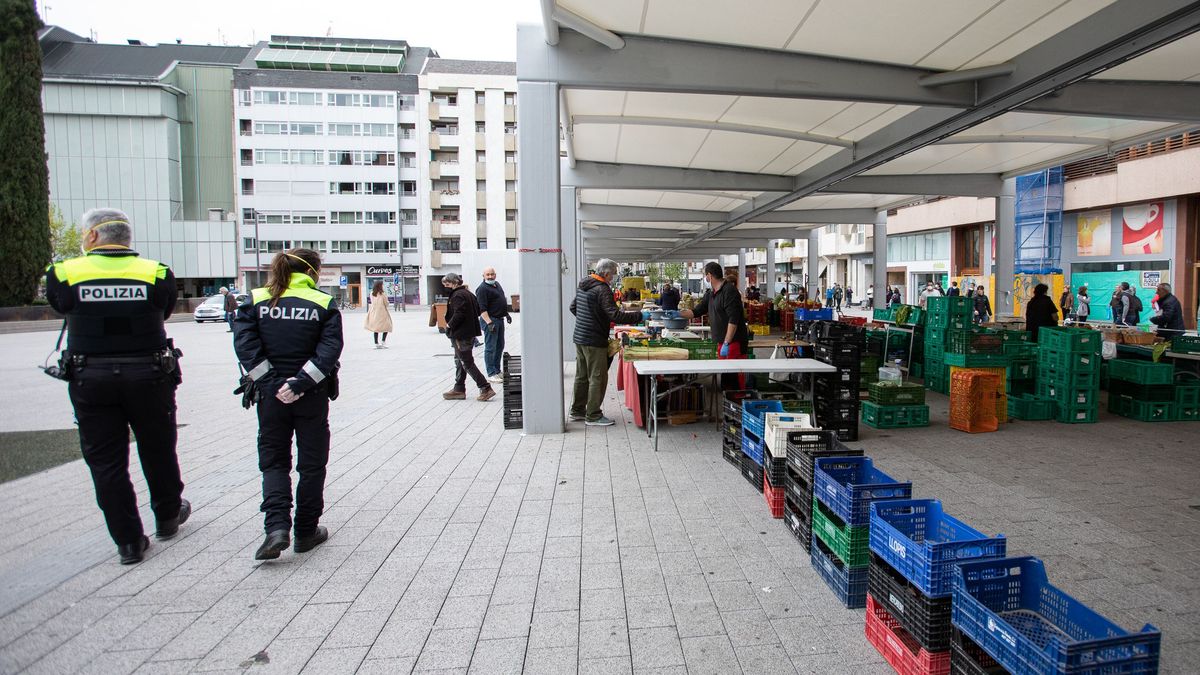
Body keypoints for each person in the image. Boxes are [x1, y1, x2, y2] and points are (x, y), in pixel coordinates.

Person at [45, 208, 190, 565]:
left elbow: (60, 305)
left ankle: (128, 541)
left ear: (92, 236)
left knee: (106, 461)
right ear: (127, 238)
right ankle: (168, 516)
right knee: (158, 446)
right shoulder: (155, 272)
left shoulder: (64, 272)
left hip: (90, 377)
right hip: (149, 374)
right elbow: (165, 309)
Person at [234, 248, 344, 561]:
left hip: (270, 398)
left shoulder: (255, 300)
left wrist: (273, 385)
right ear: (312, 271)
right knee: (312, 463)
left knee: (274, 462)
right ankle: (306, 531)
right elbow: (329, 351)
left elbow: (245, 348)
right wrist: (299, 384)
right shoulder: (322, 302)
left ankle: (276, 528)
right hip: (310, 396)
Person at [568, 259, 643, 425]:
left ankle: (577, 410)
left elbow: (573, 307)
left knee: (582, 376)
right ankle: (593, 415)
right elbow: (615, 315)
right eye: (614, 274)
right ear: (606, 273)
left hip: (580, 337)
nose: (614, 277)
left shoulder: (584, 285)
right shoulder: (603, 289)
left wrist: (587, 320)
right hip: (594, 339)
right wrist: (639, 316)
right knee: (598, 377)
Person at [679, 262, 750, 389]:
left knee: (734, 379)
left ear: (710, 276)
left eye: (706, 276)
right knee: (725, 377)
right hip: (722, 342)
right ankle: (727, 404)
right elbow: (696, 311)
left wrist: (727, 342)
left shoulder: (729, 291)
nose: (706, 279)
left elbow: (733, 319)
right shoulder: (711, 294)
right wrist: (678, 314)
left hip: (734, 343)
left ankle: (737, 403)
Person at [441, 273, 496, 401]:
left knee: (466, 362)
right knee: (460, 359)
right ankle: (459, 388)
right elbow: (477, 310)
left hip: (461, 334)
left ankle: (485, 387)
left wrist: (449, 325)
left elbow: (459, 313)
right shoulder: (468, 293)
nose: (446, 287)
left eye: (447, 284)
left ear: (454, 283)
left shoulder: (457, 295)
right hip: (469, 333)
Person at [475, 267, 511, 382]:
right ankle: (491, 373)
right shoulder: (482, 289)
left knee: (499, 345)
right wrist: (489, 322)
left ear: (495, 275)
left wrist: (506, 314)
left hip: (499, 319)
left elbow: (500, 301)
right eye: (487, 275)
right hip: (491, 320)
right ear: (483, 276)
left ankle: (497, 370)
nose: (490, 276)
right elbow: (482, 308)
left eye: (492, 274)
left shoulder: (497, 285)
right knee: (490, 347)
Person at [364, 280, 393, 349]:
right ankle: (383, 342)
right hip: (382, 312)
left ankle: (376, 343)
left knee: (376, 328)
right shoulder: (383, 293)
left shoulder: (372, 293)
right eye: (382, 285)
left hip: (373, 312)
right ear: (380, 286)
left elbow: (372, 302)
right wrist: (387, 303)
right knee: (386, 326)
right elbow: (386, 303)